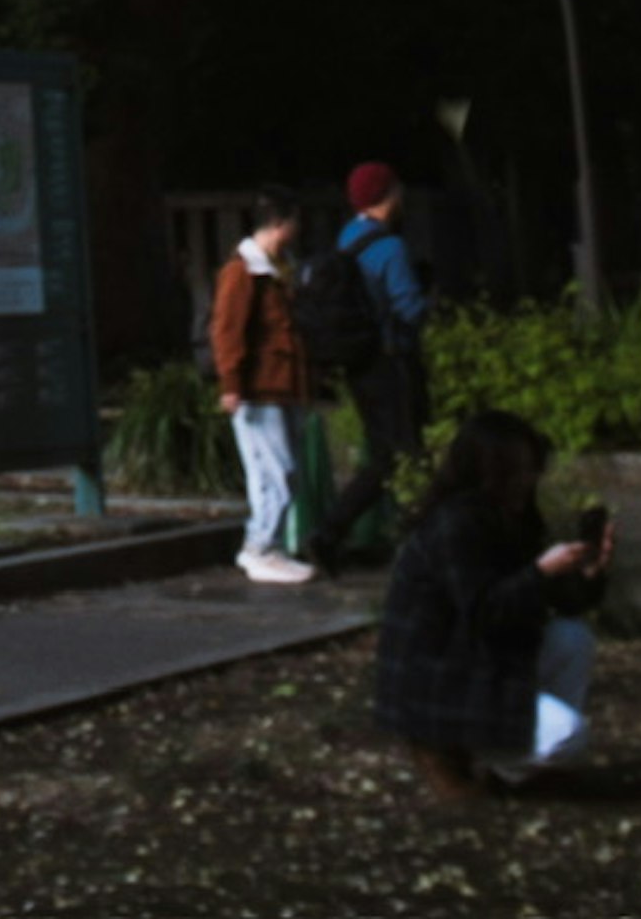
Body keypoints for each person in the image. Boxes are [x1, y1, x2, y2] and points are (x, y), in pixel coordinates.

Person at [372, 405, 613, 802]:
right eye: (515, 471)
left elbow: (543, 602)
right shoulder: (457, 524)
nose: (526, 481)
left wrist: (588, 576)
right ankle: (454, 748)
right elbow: (486, 609)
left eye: (531, 469)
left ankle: (514, 769)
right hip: (440, 676)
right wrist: (540, 573)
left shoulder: (509, 519)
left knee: (573, 638)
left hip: (478, 658)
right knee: (568, 734)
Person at [302, 160, 432, 577]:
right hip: (392, 360)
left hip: (358, 363)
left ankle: (349, 532)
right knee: (401, 454)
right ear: (388, 195)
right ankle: (335, 532)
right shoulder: (391, 248)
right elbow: (408, 308)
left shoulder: (348, 238)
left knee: (386, 453)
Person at [209, 189, 320, 584]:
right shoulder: (244, 273)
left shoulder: (276, 268)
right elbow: (228, 330)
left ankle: (266, 545)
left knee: (283, 471)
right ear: (281, 223)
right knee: (274, 471)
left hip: (279, 385)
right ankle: (260, 547)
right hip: (259, 388)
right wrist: (233, 383)